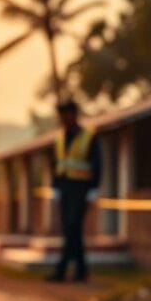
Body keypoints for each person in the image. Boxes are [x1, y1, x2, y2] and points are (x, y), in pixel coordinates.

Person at [47, 100, 101, 283]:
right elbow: (56, 164)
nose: (63, 120)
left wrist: (93, 188)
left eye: (65, 115)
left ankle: (61, 270)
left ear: (74, 114)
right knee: (72, 230)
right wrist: (55, 187)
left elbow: (97, 164)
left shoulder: (89, 136)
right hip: (65, 187)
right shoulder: (60, 138)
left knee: (72, 227)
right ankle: (81, 270)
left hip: (81, 188)